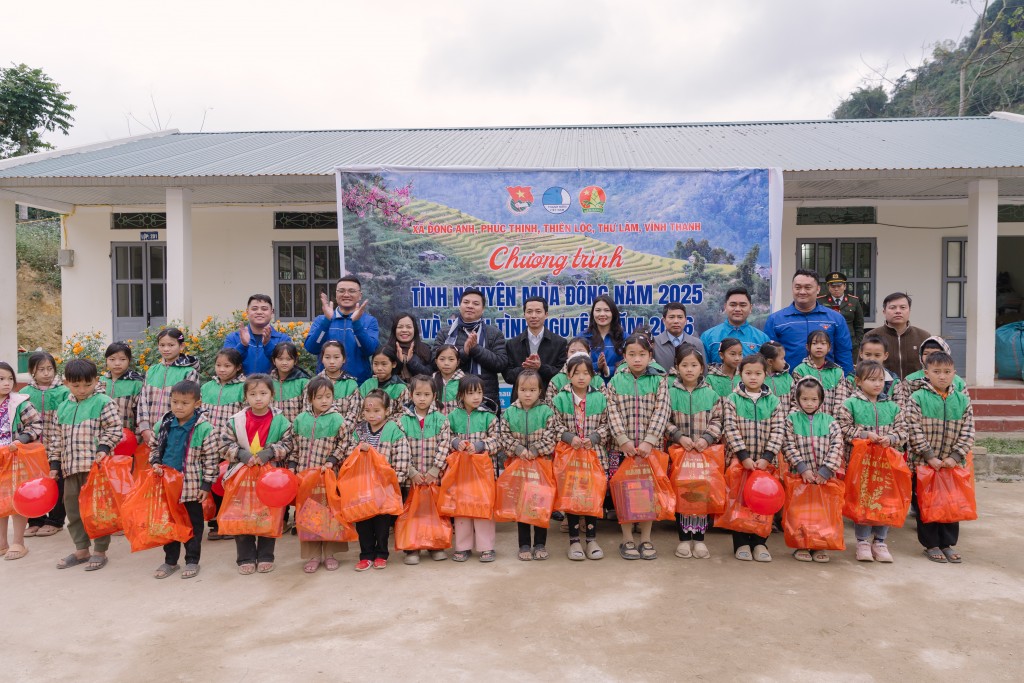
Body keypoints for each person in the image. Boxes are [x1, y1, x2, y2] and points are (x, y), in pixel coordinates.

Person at [49, 359, 123, 571]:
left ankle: (100, 551)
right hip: (70, 469)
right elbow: (57, 439)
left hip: (96, 469)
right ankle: (81, 549)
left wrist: (104, 448)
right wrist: (54, 464)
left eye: (87, 384)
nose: (82, 389)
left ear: (96, 381)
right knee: (73, 511)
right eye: (76, 385)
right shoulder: (62, 407)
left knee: (99, 510)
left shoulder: (103, 402)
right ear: (66, 383)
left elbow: (115, 429)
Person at [605, 333, 671, 561]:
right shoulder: (615, 381)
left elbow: (662, 412)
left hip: (648, 450)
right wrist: (622, 440)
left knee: (647, 493)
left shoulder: (659, 380)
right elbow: (610, 412)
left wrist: (648, 441)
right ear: (624, 356)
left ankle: (645, 537)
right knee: (624, 493)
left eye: (642, 354)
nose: (637, 359)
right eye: (631, 355)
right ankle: (626, 538)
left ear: (650, 356)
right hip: (620, 448)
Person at [220, 374, 293, 575]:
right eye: (253, 394)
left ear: (272, 395)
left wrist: (270, 452)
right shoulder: (235, 421)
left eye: (263, 393)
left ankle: (266, 555)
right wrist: (241, 454)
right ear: (246, 397)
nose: (258, 398)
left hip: (269, 477)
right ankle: (245, 556)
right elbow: (224, 444)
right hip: (241, 476)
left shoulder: (280, 420)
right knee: (242, 514)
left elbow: (288, 443)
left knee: (267, 513)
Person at [836, 360, 909, 563]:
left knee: (884, 500)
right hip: (861, 466)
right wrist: (864, 434)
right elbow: (842, 428)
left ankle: (880, 541)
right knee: (864, 502)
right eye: (871, 380)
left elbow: (904, 431)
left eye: (880, 380)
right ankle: (862, 542)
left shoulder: (893, 407)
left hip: (886, 467)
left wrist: (892, 439)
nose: (877, 384)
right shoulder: (850, 404)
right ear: (859, 381)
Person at [906, 351, 975, 564]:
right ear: (927, 373)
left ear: (955, 373)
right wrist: (928, 456)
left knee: (950, 505)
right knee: (927, 505)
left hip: (951, 465)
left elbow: (968, 430)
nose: (942, 377)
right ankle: (931, 544)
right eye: (937, 372)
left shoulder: (962, 400)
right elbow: (912, 428)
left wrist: (955, 457)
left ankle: (947, 544)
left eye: (947, 372)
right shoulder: (917, 397)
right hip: (924, 464)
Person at [149, 380, 219, 580]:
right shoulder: (163, 424)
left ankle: (192, 560)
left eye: (185, 403)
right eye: (175, 402)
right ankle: (170, 561)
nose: (179, 407)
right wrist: (154, 462)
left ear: (197, 403)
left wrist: (206, 484)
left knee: (192, 525)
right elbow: (154, 447)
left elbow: (211, 459)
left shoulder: (205, 429)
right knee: (169, 523)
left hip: (191, 487)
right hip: (167, 485)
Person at [721, 354, 786, 563]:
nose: (753, 377)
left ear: (765, 375)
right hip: (741, 464)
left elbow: (778, 430)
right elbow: (730, 429)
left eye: (758, 373)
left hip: (765, 466)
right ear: (741, 374)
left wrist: (767, 458)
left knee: (763, 504)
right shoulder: (732, 400)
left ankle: (760, 543)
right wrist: (743, 456)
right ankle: (740, 543)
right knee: (739, 503)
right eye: (748, 373)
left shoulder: (774, 401)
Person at [665, 343, 723, 560]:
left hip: (703, 455)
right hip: (679, 453)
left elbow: (718, 420)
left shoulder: (711, 394)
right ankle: (683, 540)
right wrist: (679, 436)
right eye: (684, 365)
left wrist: (707, 438)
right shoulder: (669, 392)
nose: (689, 369)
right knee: (683, 495)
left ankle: (699, 540)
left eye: (694, 365)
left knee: (701, 495)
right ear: (677, 368)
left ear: (702, 368)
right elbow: (665, 420)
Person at [290, 377, 353, 573]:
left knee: (329, 514)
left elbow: (345, 444)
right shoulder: (300, 419)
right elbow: (294, 446)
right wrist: (293, 467)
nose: (324, 401)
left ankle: (330, 554)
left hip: (328, 475)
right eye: (319, 397)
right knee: (308, 515)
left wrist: (331, 461)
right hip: (305, 477)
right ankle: (314, 555)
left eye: (328, 396)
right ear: (310, 398)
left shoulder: (337, 419)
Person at [550, 354, 609, 561]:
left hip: (594, 456)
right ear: (568, 375)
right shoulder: (560, 399)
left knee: (592, 496)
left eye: (586, 373)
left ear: (592, 375)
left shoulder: (601, 397)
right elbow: (553, 425)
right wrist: (568, 437)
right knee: (572, 496)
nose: (581, 378)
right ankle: (574, 541)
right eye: (577, 373)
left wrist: (594, 437)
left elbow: (607, 424)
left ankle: (591, 539)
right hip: (570, 457)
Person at [498, 369, 559, 562]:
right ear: (517, 390)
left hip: (541, 465)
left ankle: (540, 544)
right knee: (521, 505)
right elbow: (503, 435)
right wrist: (517, 449)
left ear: (540, 391)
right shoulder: (509, 412)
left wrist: (535, 450)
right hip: (518, 466)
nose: (527, 394)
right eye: (523, 389)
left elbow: (552, 435)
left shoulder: (547, 411)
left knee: (539, 505)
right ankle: (524, 544)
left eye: (532, 390)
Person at [783, 377, 844, 563]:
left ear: (821, 399)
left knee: (821, 513)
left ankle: (820, 544)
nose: (809, 403)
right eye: (805, 399)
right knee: (800, 513)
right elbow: (788, 444)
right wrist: (802, 468)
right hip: (800, 476)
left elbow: (837, 446)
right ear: (797, 399)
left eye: (814, 399)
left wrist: (825, 471)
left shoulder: (830, 422)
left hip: (823, 479)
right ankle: (801, 544)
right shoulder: (791, 420)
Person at [350, 389, 411, 571]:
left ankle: (382, 554)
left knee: (382, 523)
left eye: (377, 411)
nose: (372, 415)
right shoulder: (359, 431)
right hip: (362, 486)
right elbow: (349, 452)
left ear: (387, 410)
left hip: (384, 486)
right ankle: (366, 554)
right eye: (368, 411)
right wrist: (359, 450)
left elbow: (402, 455)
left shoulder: (394, 430)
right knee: (363, 522)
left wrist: (395, 480)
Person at [397, 375, 451, 565]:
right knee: (412, 513)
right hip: (411, 478)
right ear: (411, 395)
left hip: (433, 478)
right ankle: (412, 548)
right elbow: (400, 446)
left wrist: (435, 470)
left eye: (426, 394)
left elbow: (445, 445)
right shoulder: (402, 421)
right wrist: (410, 471)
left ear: (434, 396)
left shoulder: (441, 420)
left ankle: (435, 545)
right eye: (418, 394)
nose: (422, 398)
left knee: (434, 512)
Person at [447, 375, 500, 563]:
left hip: (483, 473)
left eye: (479, 392)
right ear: (461, 395)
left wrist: (479, 446)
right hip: (460, 473)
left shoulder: (488, 416)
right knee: (461, 509)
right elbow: (446, 436)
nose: (476, 397)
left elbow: (497, 440)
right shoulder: (452, 416)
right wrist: (456, 442)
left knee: (483, 507)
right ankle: (463, 547)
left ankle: (487, 547)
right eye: (471, 393)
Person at [764, 270, 853, 375]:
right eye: (798, 287)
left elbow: (843, 353)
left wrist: (848, 380)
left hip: (827, 384)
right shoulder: (776, 320)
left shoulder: (835, 319)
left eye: (807, 287)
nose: (802, 292)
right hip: (788, 384)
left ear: (818, 289)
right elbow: (768, 357)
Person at [433, 288, 508, 411]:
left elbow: (501, 363)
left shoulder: (494, 333)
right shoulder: (446, 333)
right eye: (466, 302)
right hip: (451, 400)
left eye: (476, 303)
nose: (470, 306)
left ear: (483, 309)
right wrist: (464, 352)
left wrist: (475, 349)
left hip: (486, 397)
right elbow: (434, 361)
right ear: (460, 306)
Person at [19, 351, 69, 537]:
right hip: (32, 450)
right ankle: (35, 519)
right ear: (32, 371)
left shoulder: (63, 392)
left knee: (57, 482)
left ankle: (55, 520)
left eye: (50, 369)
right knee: (34, 483)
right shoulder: (24, 393)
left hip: (57, 446)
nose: (46, 373)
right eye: (41, 369)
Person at [200, 348, 247, 542]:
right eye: (219, 365)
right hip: (210, 444)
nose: (222, 369)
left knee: (231, 483)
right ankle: (215, 521)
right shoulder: (207, 387)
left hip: (231, 445)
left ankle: (233, 521)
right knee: (212, 482)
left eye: (227, 366)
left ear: (237, 367)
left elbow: (246, 416)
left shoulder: (243, 387)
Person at [0, 361, 43, 561]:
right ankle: (2, 542)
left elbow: (36, 425)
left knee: (18, 499)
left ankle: (18, 541)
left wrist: (21, 440)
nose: (6, 383)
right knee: (1, 501)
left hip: (15, 457)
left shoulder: (21, 403)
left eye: (10, 379)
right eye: (1, 379)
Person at [305, 276, 380, 382]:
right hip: (326, 386)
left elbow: (369, 350)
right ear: (336, 295)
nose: (346, 295)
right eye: (341, 291)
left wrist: (356, 324)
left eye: (351, 291)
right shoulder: (321, 320)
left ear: (360, 295)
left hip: (359, 385)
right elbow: (312, 348)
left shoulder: (369, 321)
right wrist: (326, 321)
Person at [138, 328, 201, 448]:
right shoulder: (152, 371)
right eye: (162, 345)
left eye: (171, 345)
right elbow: (142, 401)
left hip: (176, 431)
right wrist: (144, 428)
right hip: (150, 432)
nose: (166, 349)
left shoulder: (189, 372)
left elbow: (189, 405)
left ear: (181, 346)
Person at [504, 296, 568, 397]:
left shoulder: (560, 343)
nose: (533, 316)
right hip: (520, 402)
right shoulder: (512, 344)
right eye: (529, 312)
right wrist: (525, 368)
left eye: (538, 311)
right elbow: (508, 377)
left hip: (550, 400)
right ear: (524, 314)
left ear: (546, 314)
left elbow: (562, 376)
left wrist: (540, 367)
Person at [866, 292, 931, 380]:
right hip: (884, 390)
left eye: (903, 307)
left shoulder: (924, 336)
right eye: (892, 308)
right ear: (884, 312)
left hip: (916, 389)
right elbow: (863, 367)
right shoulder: (871, 336)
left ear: (909, 311)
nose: (898, 311)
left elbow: (933, 366)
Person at [221, 294, 291, 376]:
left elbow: (286, 364)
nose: (259, 312)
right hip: (240, 387)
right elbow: (226, 364)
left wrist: (268, 345)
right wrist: (243, 345)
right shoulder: (233, 338)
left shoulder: (283, 339)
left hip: (272, 387)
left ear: (272, 312)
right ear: (247, 312)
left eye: (264, 309)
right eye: (254, 309)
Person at [893, 336, 967, 408]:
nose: (930, 356)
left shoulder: (958, 382)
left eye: (936, 353)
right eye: (926, 353)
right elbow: (904, 406)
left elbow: (965, 404)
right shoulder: (910, 379)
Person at [700, 287, 770, 364]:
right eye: (733, 305)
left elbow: (767, 370)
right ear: (725, 307)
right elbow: (703, 369)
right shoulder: (708, 337)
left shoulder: (762, 339)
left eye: (742, 305)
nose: (737, 309)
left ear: (750, 308)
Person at [791, 330, 851, 416]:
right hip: (807, 422)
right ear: (807, 347)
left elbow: (840, 401)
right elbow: (796, 400)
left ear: (829, 347)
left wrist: (832, 422)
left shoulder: (837, 371)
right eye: (815, 343)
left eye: (823, 344)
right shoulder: (800, 370)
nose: (819, 347)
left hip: (830, 422)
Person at [818, 272, 865, 358]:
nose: (836, 289)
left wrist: (857, 342)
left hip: (850, 342)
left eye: (839, 286)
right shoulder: (820, 301)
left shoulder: (854, 301)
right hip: (827, 342)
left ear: (844, 286)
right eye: (833, 286)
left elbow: (859, 324)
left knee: (850, 369)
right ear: (828, 287)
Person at [313, 341, 361, 424]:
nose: (332, 361)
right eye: (327, 357)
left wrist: (342, 430)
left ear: (344, 359)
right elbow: (308, 411)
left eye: (336, 357)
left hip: (344, 432)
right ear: (322, 359)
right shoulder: (314, 383)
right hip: (319, 432)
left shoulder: (351, 384)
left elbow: (354, 413)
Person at [101, 342, 144, 433]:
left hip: (127, 436)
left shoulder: (136, 383)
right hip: (102, 436)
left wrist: (137, 437)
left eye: (122, 359)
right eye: (112, 359)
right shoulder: (100, 381)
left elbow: (141, 413)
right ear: (106, 360)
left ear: (129, 360)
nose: (117, 363)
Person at [544, 337, 604, 403]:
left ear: (589, 354)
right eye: (572, 351)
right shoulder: (557, 380)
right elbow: (549, 406)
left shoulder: (598, 380)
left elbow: (605, 404)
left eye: (581, 351)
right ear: (566, 354)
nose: (576, 354)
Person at [652, 302, 705, 372]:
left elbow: (703, 373)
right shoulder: (655, 343)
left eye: (680, 317)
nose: (676, 321)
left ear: (685, 320)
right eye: (671, 317)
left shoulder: (697, 343)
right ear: (664, 320)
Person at [584, 294, 624, 382]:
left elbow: (630, 364)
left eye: (607, 310)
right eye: (598, 310)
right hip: (590, 389)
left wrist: (609, 369)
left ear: (613, 313)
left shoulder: (624, 337)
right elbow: (575, 364)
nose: (602, 314)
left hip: (618, 389)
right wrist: (596, 366)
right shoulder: (583, 338)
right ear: (593, 313)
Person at [359, 348, 409, 419]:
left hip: (391, 427)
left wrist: (384, 423)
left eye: (384, 364)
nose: (379, 368)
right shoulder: (367, 384)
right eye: (375, 364)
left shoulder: (400, 388)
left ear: (394, 364)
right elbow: (358, 409)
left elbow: (404, 414)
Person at [383, 313, 433, 381]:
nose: (404, 330)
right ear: (394, 329)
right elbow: (380, 375)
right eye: (400, 327)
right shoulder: (386, 350)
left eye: (408, 327)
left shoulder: (424, 349)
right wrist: (399, 363)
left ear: (414, 329)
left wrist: (412, 362)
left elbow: (430, 374)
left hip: (419, 390)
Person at [270, 342, 311, 422]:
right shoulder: (269, 382)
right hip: (273, 429)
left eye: (289, 359)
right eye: (280, 359)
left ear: (295, 360)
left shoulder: (304, 382)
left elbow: (307, 409)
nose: (284, 363)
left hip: (295, 429)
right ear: (274, 361)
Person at [852, 335, 901, 401]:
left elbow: (899, 408)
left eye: (877, 355)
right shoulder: (851, 378)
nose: (872, 359)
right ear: (861, 354)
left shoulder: (894, 380)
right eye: (868, 354)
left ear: (885, 356)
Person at [760, 341, 793, 414]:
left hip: (786, 422)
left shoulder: (787, 378)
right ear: (770, 362)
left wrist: (791, 418)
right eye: (782, 359)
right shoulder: (758, 380)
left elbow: (795, 400)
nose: (784, 362)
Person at [431, 344, 464, 414]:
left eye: (451, 359)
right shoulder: (431, 381)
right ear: (436, 362)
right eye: (442, 359)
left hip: (457, 423)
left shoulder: (464, 381)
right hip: (437, 422)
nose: (446, 363)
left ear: (457, 362)